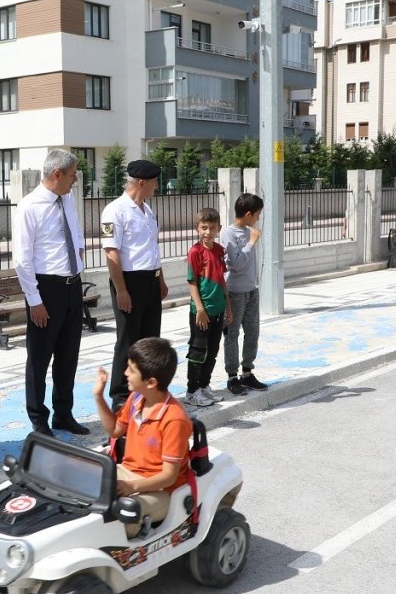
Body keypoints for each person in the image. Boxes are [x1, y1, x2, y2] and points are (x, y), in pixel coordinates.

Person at [13, 149, 90, 437]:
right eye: (73, 176)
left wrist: (79, 258)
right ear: (57, 174)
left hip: (72, 285)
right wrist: (35, 301)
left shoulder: (66, 199)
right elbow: (22, 259)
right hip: (46, 289)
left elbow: (74, 233)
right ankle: (38, 419)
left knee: (68, 355)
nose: (75, 181)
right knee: (39, 358)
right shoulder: (29, 206)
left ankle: (63, 413)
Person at [91, 337, 193, 538]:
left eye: (131, 369)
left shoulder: (174, 420)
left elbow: (169, 476)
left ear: (151, 382)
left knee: (124, 512)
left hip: (162, 490)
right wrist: (98, 396)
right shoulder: (137, 398)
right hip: (128, 473)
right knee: (84, 483)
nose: (125, 373)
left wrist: (132, 487)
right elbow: (114, 431)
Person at [101, 160, 168, 410]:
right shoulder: (115, 211)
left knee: (150, 339)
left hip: (149, 279)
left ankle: (146, 388)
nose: (156, 186)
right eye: (154, 182)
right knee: (128, 339)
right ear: (142, 182)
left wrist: (159, 279)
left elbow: (152, 248)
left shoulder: (146, 210)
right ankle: (120, 395)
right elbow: (112, 254)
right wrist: (121, 290)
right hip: (129, 281)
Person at [220, 193, 268, 396]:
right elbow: (236, 263)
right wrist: (251, 242)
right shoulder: (228, 234)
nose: (257, 218)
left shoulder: (250, 231)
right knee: (232, 334)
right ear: (248, 214)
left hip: (251, 290)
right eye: (257, 214)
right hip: (234, 292)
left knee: (253, 333)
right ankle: (232, 376)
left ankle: (247, 373)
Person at [183, 208, 231, 407]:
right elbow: (192, 282)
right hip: (201, 313)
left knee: (212, 351)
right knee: (198, 352)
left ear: (218, 229)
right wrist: (200, 310)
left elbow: (222, 280)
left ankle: (204, 386)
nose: (207, 232)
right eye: (204, 228)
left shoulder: (220, 251)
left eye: (212, 228)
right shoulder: (195, 252)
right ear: (197, 228)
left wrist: (228, 307)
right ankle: (192, 390)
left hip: (218, 310)